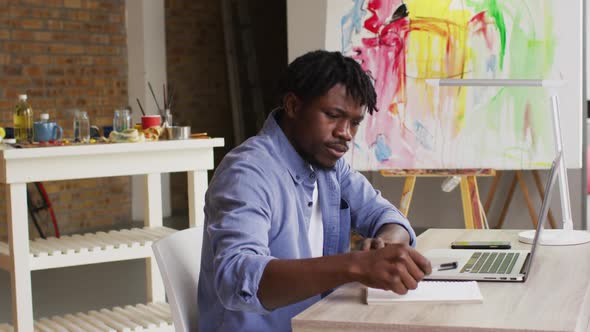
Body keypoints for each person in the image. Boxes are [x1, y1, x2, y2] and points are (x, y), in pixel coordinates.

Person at [198, 50, 432, 331]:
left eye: (355, 122)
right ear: (293, 106)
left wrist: (385, 244)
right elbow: (237, 279)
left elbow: (385, 215)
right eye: (333, 116)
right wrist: (356, 265)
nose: (345, 132)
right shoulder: (247, 173)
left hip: (316, 322)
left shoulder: (329, 165)